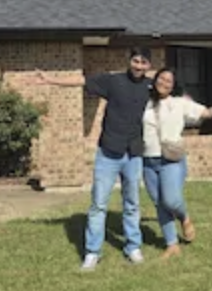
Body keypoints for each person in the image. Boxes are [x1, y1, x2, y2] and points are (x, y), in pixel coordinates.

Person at [33, 47, 153, 271]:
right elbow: (81, 80)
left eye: (143, 63)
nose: (138, 66)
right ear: (130, 61)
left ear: (148, 66)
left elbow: (175, 98)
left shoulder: (150, 87)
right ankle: (92, 252)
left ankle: (133, 247)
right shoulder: (113, 81)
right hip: (108, 151)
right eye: (136, 61)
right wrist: (50, 79)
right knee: (99, 204)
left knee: (132, 203)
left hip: (134, 153)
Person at [143, 67, 212, 258]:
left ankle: (184, 217)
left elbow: (207, 113)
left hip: (171, 159)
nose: (164, 83)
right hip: (148, 160)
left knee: (171, 200)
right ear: (155, 80)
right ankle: (171, 244)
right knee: (159, 204)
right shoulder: (145, 103)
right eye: (161, 78)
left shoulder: (180, 103)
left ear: (173, 86)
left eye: (169, 81)